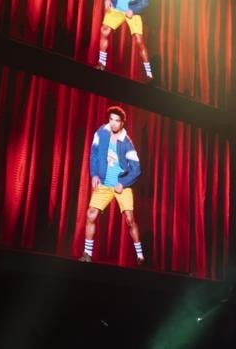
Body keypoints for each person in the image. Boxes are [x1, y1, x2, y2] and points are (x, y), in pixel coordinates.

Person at [79, 106, 145, 265]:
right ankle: (87, 254)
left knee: (130, 219)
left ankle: (140, 254)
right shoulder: (101, 133)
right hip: (104, 183)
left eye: (117, 121)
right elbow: (94, 153)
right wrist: (94, 173)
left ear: (122, 123)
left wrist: (123, 183)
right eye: (111, 120)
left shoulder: (127, 143)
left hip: (122, 185)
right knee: (91, 214)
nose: (114, 124)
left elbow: (137, 169)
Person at [95, 0, 153, 80]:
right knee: (104, 30)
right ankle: (102, 63)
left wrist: (133, 10)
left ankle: (149, 73)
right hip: (117, 9)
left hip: (132, 13)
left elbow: (145, 2)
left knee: (139, 41)